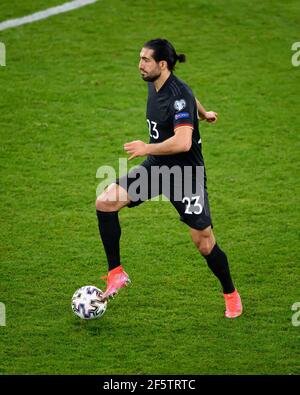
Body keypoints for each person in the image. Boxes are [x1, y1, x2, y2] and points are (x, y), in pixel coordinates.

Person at [95, 38, 242, 318]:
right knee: (105, 201)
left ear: (162, 65)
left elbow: (184, 142)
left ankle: (231, 294)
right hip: (156, 169)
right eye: (140, 58)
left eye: (146, 60)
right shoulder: (158, 82)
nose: (140, 65)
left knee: (204, 243)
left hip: (185, 176)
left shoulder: (177, 93)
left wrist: (146, 147)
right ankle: (116, 273)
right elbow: (191, 97)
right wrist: (204, 112)